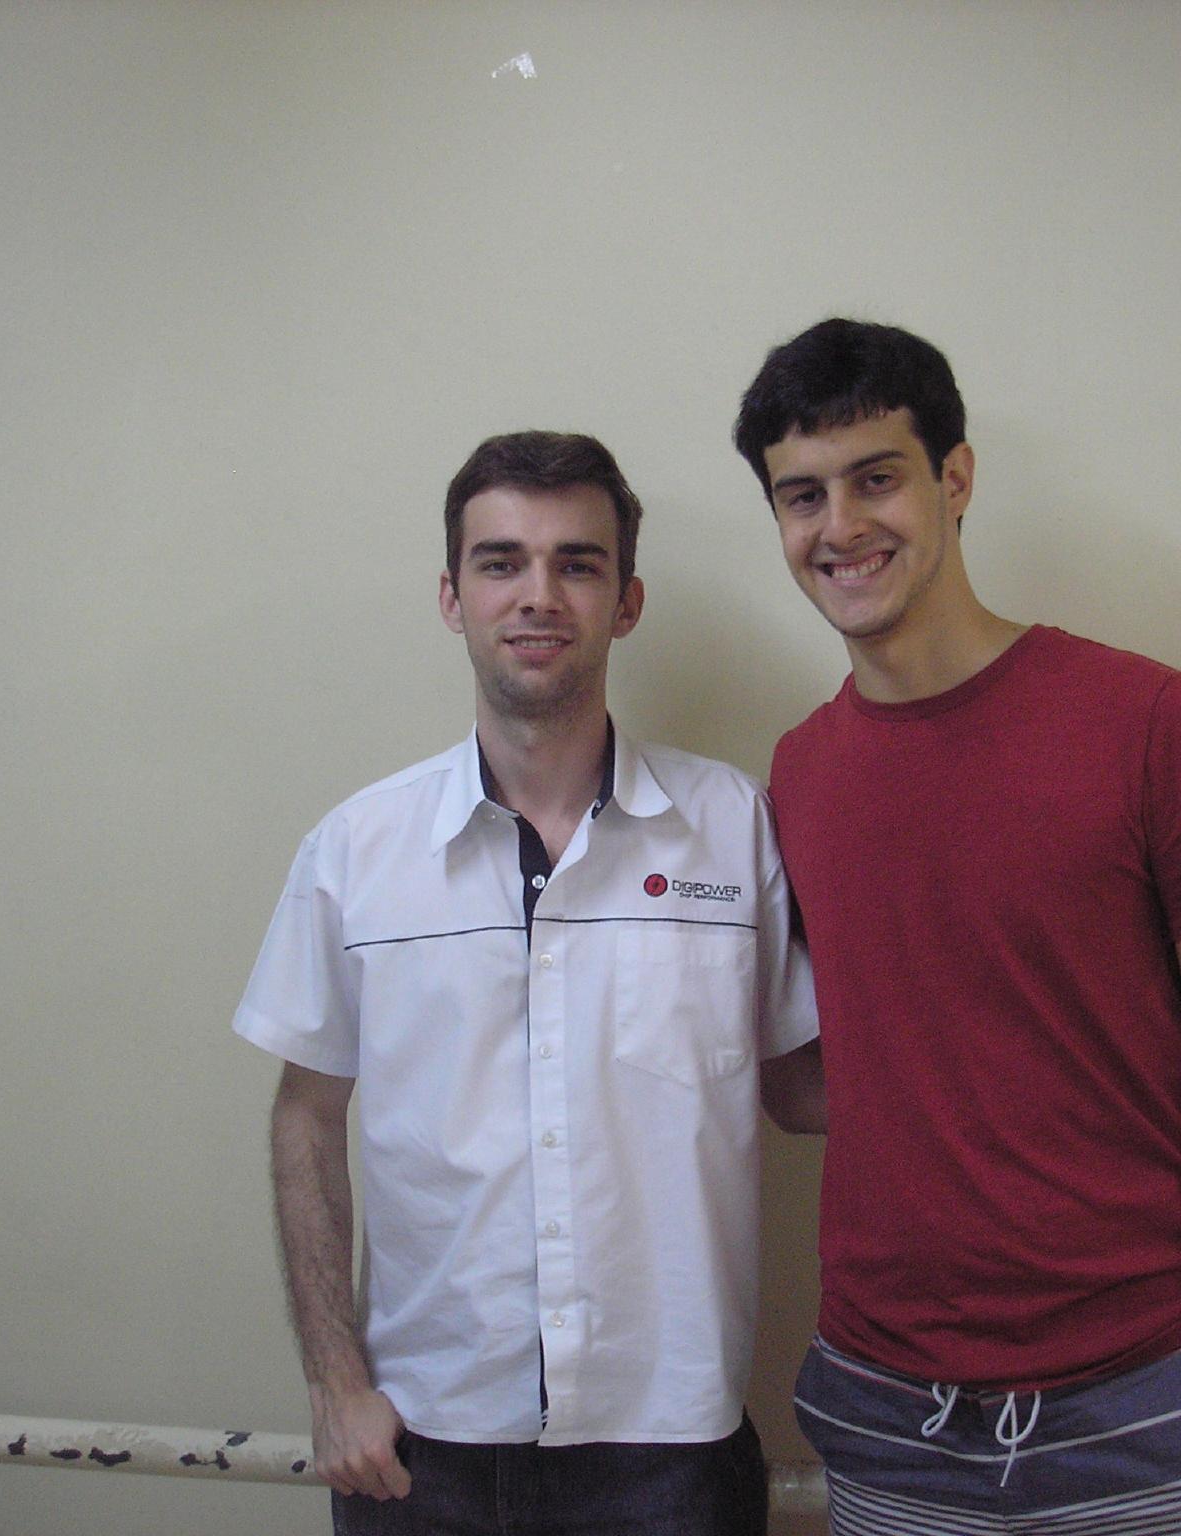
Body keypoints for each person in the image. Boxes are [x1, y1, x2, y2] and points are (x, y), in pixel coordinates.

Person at [739, 320, 1181, 1534]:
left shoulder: (1144, 720)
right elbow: (819, 1076)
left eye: (875, 478)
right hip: (890, 1416)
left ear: (953, 478)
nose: (839, 526)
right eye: (801, 495)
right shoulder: (799, 772)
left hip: (1147, 1401)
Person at [235, 430, 818, 1535]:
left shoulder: (734, 829)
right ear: (451, 596)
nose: (537, 595)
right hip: (424, 1449)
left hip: (673, 1449)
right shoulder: (356, 850)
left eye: (576, 564)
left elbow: (804, 1085)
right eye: (500, 562)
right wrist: (333, 1381)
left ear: (626, 601)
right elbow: (305, 1117)